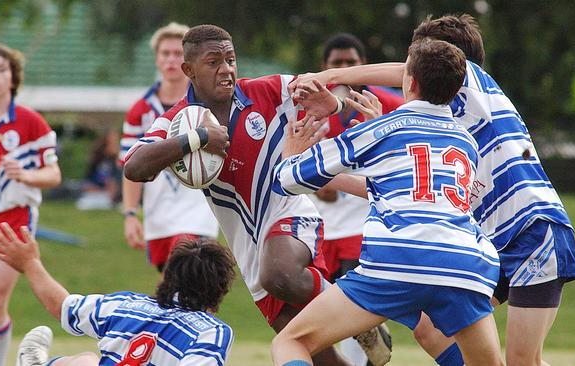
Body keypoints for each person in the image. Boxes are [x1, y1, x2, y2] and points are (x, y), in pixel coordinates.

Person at [291, 14, 575, 366]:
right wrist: (323, 169)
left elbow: (404, 73)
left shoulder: (478, 84)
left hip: (533, 231)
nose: (413, 69)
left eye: (423, 57)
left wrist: (330, 77)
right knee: (429, 330)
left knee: (523, 360)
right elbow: (382, 186)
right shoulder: (443, 123)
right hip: (491, 241)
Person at [123, 24, 391, 366]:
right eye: (214, 62)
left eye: (231, 59)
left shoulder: (270, 90)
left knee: (279, 274)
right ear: (189, 70)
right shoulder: (180, 121)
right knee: (315, 353)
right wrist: (198, 139)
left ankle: (360, 313)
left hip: (289, 213)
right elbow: (134, 167)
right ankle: (354, 321)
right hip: (249, 250)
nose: (226, 69)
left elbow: (319, 89)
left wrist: (334, 105)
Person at [271, 38, 504, 366]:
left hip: (396, 261)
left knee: (290, 342)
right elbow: (402, 187)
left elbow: (289, 180)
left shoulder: (383, 128)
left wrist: (293, 151)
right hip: (462, 263)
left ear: (410, 81)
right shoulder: (465, 139)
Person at [0, 222, 236, 366]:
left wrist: (30, 264)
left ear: (168, 275)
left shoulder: (127, 304)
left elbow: (63, 306)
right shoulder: (211, 331)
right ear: (219, 290)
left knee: (86, 361)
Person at [310, 33, 404, 366]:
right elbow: (294, 161)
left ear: (364, 65)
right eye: (337, 63)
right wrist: (316, 181)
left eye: (351, 62)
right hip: (320, 226)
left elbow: (409, 155)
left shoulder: (391, 104)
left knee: (357, 309)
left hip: (367, 222)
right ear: (325, 67)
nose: (344, 68)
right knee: (324, 311)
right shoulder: (310, 108)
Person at [119, 22, 219, 272]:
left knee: (188, 280)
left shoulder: (208, 104)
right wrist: (130, 214)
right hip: (159, 216)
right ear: (156, 58)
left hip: (198, 213)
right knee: (174, 290)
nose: (171, 60)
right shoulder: (140, 111)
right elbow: (129, 166)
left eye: (178, 54)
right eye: (166, 53)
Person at [0, 43, 61, 365]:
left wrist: (28, 175)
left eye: (1, 69)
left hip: (13, 220)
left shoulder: (29, 121)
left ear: (13, 78)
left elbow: (54, 174)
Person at [75, 129, 121, 210]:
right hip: (94, 191)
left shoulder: (115, 161)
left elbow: (115, 184)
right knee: (83, 203)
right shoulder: (97, 159)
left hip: (108, 194)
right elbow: (87, 183)